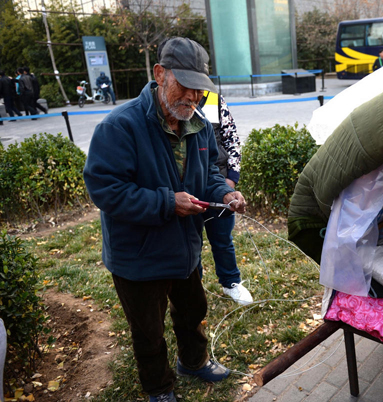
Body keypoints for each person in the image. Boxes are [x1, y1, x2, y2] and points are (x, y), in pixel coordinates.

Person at [84, 37, 246, 402]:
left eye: (199, 90)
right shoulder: (120, 127)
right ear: (160, 74)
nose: (191, 97)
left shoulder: (200, 125)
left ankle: (193, 361)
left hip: (184, 248)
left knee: (193, 311)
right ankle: (159, 388)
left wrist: (224, 193)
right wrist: (165, 202)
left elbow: (209, 175)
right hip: (138, 256)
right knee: (148, 329)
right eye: (183, 87)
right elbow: (105, 190)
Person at [200, 92, 253, 305]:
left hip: (219, 182)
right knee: (189, 242)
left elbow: (231, 139)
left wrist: (230, 179)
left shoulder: (214, 99)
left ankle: (231, 282)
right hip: (186, 187)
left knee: (222, 240)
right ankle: (192, 288)